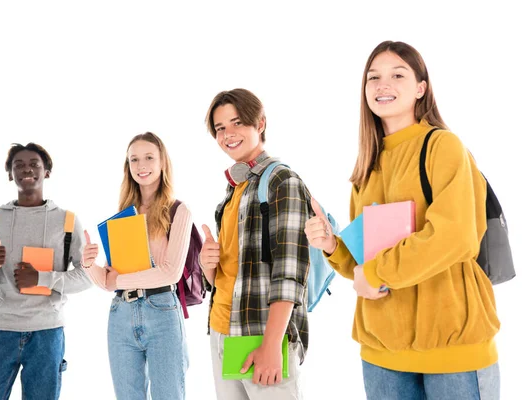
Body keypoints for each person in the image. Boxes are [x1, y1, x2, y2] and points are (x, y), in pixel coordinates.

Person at [305, 41, 501, 399]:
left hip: (451, 346)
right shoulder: (367, 167)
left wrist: (374, 273)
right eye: (374, 77)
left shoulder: (443, 146)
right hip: (382, 350)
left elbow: (454, 237)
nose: (383, 85)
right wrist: (332, 245)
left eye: (398, 75)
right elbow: (365, 263)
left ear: (421, 88)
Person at [200, 88, 310, 399]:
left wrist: (272, 345)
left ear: (259, 124)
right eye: (220, 128)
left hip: (262, 335)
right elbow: (229, 276)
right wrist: (208, 265)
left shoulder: (281, 181)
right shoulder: (235, 188)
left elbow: (290, 273)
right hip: (222, 331)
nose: (228, 134)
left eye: (236, 123)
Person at [0, 142, 92, 400]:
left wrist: (41, 278)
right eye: (19, 165)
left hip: (47, 334)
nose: (27, 170)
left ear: (46, 171)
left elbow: (86, 276)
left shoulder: (67, 221)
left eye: (34, 164)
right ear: (10, 173)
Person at [82, 132, 192, 400]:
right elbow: (109, 279)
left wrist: (116, 281)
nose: (141, 165)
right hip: (120, 314)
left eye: (149, 157)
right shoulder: (124, 214)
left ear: (162, 162)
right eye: (134, 160)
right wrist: (88, 265)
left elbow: (170, 272)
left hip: (162, 311)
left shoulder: (178, 211)